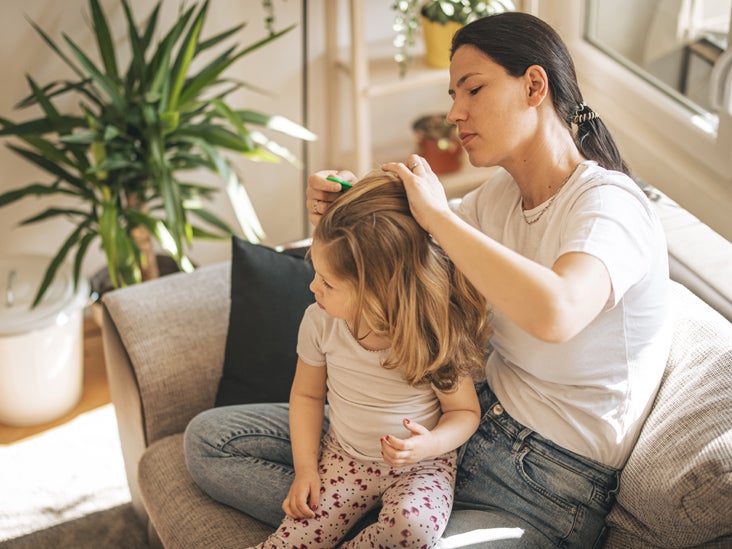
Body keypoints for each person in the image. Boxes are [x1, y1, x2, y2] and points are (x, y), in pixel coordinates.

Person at [186, 11, 671, 548]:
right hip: (441, 431)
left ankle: (374, 524)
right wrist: (340, 206)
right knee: (211, 440)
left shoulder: (610, 205)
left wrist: (439, 218)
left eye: (473, 89)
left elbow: (556, 311)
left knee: (413, 537)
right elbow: (393, 253)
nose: (454, 112)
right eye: (451, 93)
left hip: (539, 484)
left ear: (535, 85)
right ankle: (358, 513)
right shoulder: (498, 198)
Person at [195, 171, 491, 548]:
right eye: (316, 273)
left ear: (378, 292)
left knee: (413, 530)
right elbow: (306, 397)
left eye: (328, 282)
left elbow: (464, 413)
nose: (312, 287)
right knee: (292, 539)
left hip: (421, 467)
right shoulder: (319, 323)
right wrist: (306, 470)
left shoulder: (429, 333)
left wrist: (429, 445)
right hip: (344, 458)